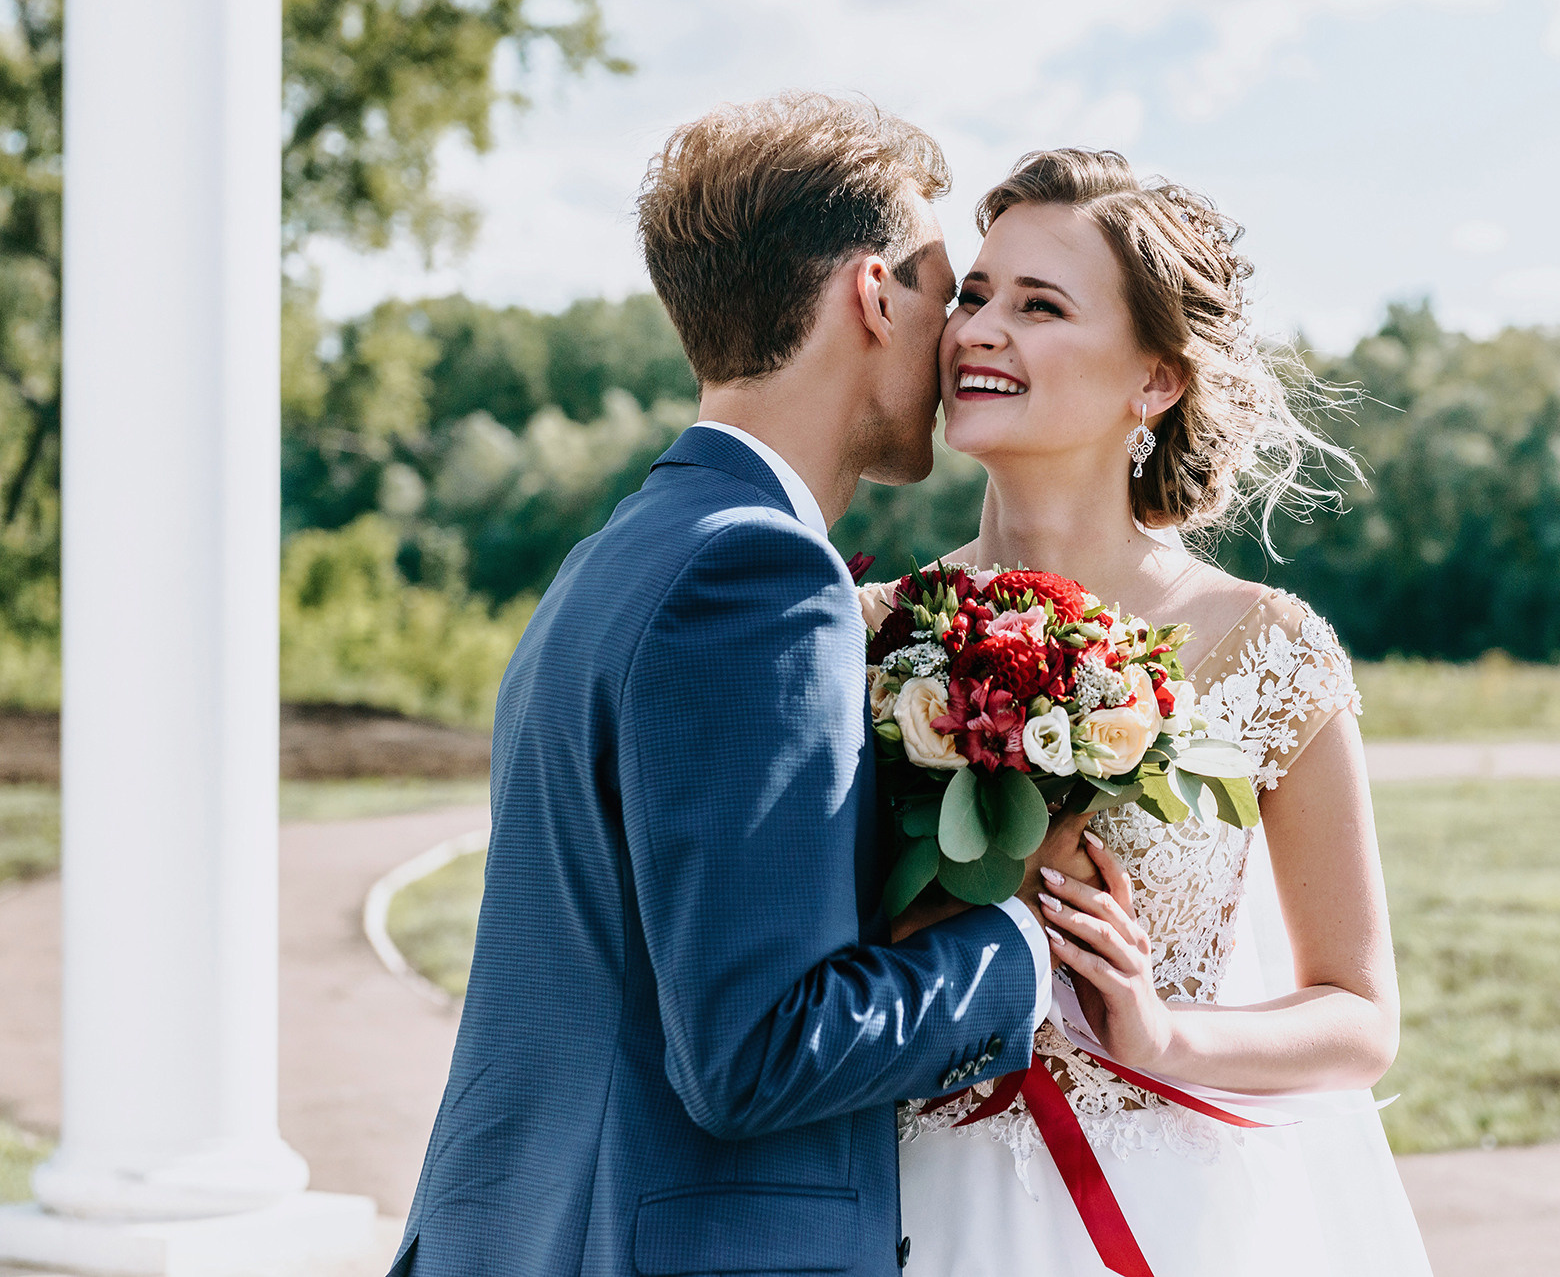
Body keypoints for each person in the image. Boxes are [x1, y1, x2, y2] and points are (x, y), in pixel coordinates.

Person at [387, 94, 1094, 1277]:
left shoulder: (621, 551)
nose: (961, 337)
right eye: (946, 289)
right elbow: (758, 1049)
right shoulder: (755, 573)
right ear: (872, 295)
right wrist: (1022, 945)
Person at [874, 150, 1433, 1275]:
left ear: (1154, 380)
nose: (980, 329)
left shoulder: (1266, 646)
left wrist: (1166, 1033)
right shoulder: (873, 632)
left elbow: (1357, 1016)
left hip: (1169, 1210)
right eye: (975, 295)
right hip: (909, 1203)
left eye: (1039, 305)